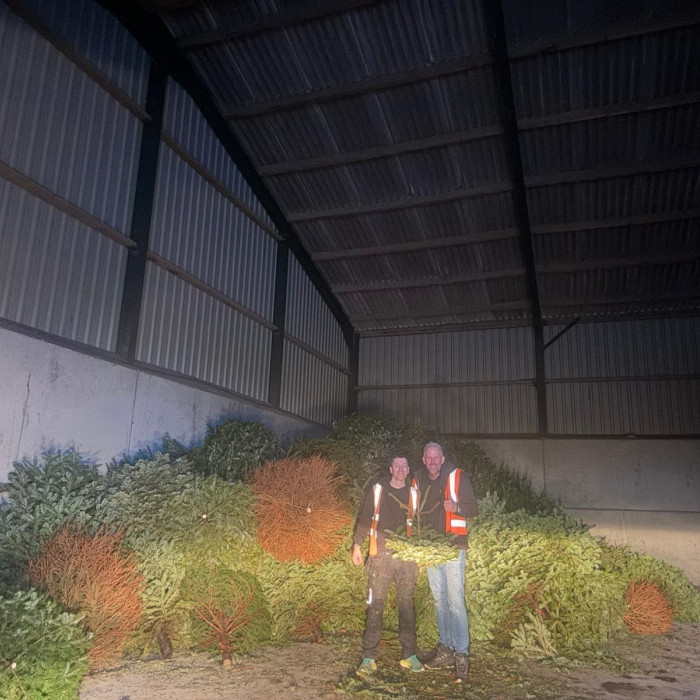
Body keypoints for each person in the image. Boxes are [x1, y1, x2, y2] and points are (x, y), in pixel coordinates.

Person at [351, 455, 424, 676]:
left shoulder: (414, 493)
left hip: (407, 558)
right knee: (376, 606)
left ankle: (409, 656)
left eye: (404, 466)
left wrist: (423, 554)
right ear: (391, 469)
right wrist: (357, 545)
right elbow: (365, 518)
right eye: (397, 465)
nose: (400, 469)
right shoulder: (378, 490)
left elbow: (422, 525)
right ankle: (369, 657)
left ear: (408, 469)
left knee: (406, 606)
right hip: (380, 556)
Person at [413, 441, 478, 683]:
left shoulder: (458, 477)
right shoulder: (417, 480)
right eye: (428, 458)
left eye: (436, 458)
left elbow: (474, 509)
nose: (432, 462)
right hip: (431, 549)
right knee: (439, 600)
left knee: (455, 602)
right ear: (423, 460)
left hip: (452, 548)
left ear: (442, 459)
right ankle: (445, 649)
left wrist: (457, 507)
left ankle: (461, 655)